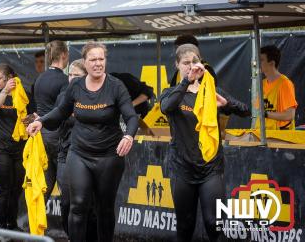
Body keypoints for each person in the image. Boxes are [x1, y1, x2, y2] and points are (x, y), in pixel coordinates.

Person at [27, 41, 139, 242]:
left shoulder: (115, 86)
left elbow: (131, 117)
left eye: (101, 59)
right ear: (84, 62)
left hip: (109, 157)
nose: (98, 63)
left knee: (104, 207)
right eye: (93, 59)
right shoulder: (76, 86)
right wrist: (41, 122)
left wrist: (129, 135)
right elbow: (61, 111)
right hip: (79, 154)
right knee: (77, 204)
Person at [160, 44, 249, 242]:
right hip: (182, 168)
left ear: (201, 63)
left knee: (213, 223)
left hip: (211, 168)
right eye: (185, 63)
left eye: (194, 62)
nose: (191, 66)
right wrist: (186, 82)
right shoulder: (171, 92)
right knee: (185, 225)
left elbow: (245, 110)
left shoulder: (211, 91)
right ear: (177, 65)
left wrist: (227, 104)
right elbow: (166, 107)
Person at [56, 58, 97, 241]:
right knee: (66, 202)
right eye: (69, 74)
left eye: (76, 75)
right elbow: (58, 118)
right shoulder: (63, 95)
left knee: (90, 205)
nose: (71, 78)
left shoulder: (97, 94)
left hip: (91, 156)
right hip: (66, 154)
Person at [0, 63, 28, 231]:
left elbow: (30, 115)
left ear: (10, 78)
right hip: (1, 149)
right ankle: (0, 227)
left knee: (16, 190)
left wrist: (32, 120)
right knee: (4, 190)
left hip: (19, 149)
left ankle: (12, 224)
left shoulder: (23, 95)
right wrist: (4, 92)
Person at [34, 41, 69, 201]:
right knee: (65, 184)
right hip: (57, 136)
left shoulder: (40, 79)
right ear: (63, 55)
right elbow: (62, 110)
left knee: (46, 182)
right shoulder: (63, 80)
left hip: (42, 135)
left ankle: (34, 223)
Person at [259, 45, 297, 130]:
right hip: (262, 135)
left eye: (261, 60)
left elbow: (289, 115)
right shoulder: (261, 84)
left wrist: (265, 114)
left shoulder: (285, 84)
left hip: (280, 138)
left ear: (272, 63)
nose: (257, 62)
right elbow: (257, 114)